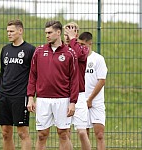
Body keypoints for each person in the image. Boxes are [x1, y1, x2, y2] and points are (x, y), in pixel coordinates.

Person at [27, 20, 79, 150]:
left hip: (63, 99)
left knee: (63, 134)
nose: (47, 35)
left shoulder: (70, 53)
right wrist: (30, 97)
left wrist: (73, 102)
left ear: (58, 32)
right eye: (46, 33)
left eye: (50, 32)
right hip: (43, 99)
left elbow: (74, 80)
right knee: (41, 135)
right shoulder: (39, 51)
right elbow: (32, 76)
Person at [0, 19, 35, 150]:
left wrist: (31, 97)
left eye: (12, 31)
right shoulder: (5, 50)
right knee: (5, 132)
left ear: (20, 31)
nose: (9, 34)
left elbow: (34, 76)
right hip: (4, 96)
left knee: (22, 133)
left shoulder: (30, 50)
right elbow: (2, 73)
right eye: (7, 31)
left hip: (20, 96)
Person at [78, 32, 108, 150]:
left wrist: (90, 99)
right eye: (78, 44)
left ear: (90, 44)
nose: (80, 46)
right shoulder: (78, 59)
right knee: (84, 134)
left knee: (99, 134)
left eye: (82, 44)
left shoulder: (98, 59)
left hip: (96, 102)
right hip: (81, 101)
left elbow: (101, 81)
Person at [64, 22, 91, 150]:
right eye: (65, 34)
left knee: (81, 131)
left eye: (70, 33)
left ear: (76, 34)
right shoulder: (61, 50)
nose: (67, 36)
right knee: (64, 133)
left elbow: (79, 55)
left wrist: (73, 40)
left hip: (79, 95)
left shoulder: (83, 49)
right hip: (63, 95)